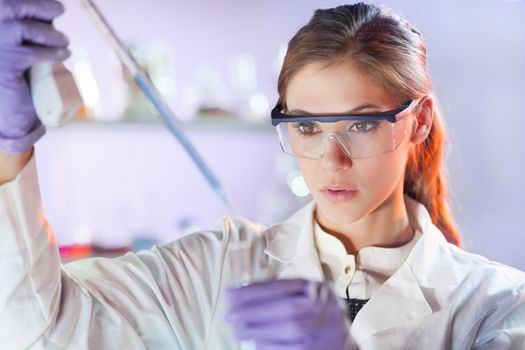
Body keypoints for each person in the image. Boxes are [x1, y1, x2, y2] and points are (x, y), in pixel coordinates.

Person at [0, 1, 524, 349]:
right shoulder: (217, 267)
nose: (330, 160)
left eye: (362, 123)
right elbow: (42, 332)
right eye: (307, 128)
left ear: (419, 122)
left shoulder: (496, 305)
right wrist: (8, 148)